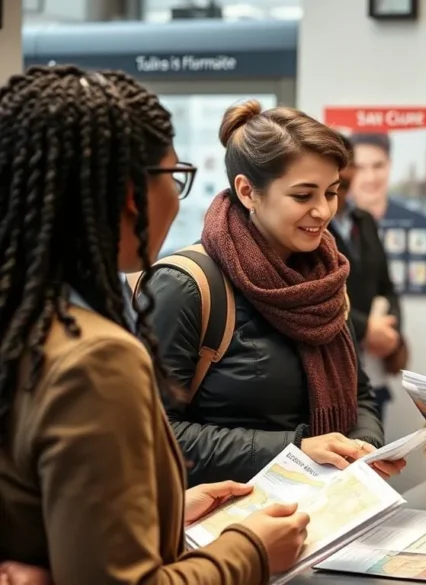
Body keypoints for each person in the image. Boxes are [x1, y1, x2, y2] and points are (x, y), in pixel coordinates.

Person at [0, 66, 309, 584]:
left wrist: (163, 517)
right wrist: (250, 549)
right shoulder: (94, 358)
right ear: (130, 194)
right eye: (175, 176)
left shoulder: (24, 321)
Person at [148, 101, 403, 487]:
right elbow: (154, 434)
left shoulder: (326, 277)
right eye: (303, 196)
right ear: (248, 192)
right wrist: (295, 450)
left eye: (331, 193)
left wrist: (361, 450)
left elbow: (358, 393)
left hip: (326, 512)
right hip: (224, 527)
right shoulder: (186, 286)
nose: (322, 211)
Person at [329, 134, 406, 423]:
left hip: (373, 365)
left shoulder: (365, 220)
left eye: (351, 166)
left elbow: (386, 285)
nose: (347, 174)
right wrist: (364, 328)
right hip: (336, 359)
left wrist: (392, 335)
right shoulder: (312, 226)